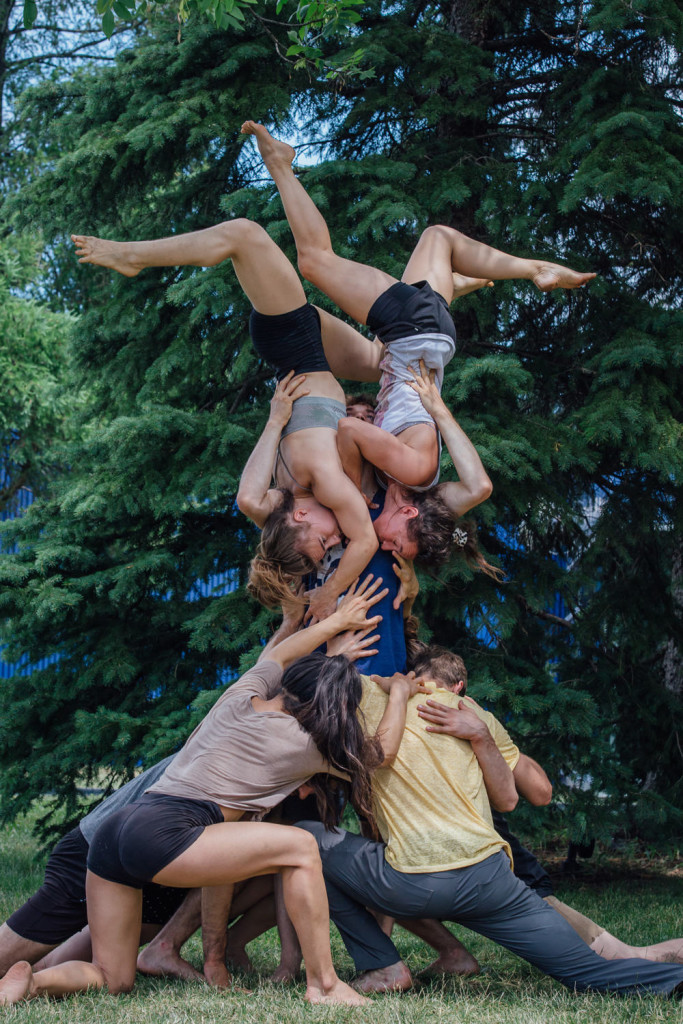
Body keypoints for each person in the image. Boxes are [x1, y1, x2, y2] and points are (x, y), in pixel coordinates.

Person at [0, 576, 427, 1008]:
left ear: (290, 686)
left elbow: (281, 652)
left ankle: (31, 983)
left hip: (116, 829)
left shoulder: (239, 697)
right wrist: (398, 693)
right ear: (332, 707)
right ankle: (326, 985)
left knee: (114, 978)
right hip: (169, 830)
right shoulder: (310, 744)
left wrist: (333, 625)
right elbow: (381, 754)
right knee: (301, 847)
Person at [240, 121, 594, 564]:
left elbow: (470, 498)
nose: (386, 547)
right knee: (314, 261)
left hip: (418, 339)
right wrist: (350, 486)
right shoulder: (414, 472)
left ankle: (455, 285)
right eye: (397, 545)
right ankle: (281, 165)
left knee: (436, 238)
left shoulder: (412, 486)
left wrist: (450, 545)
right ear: (409, 513)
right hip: (411, 331)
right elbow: (352, 431)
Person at [294, 660, 683, 997]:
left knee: (303, 839)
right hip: (490, 881)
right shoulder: (467, 709)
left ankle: (382, 965)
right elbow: (515, 798)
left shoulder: (339, 715)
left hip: (411, 884)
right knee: (588, 972)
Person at [70, 228, 380, 622]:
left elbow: (364, 539)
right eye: (331, 543)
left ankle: (134, 255)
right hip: (311, 347)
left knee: (244, 235)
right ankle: (444, 288)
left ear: (299, 520)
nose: (336, 538)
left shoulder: (318, 482)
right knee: (379, 358)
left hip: (292, 340)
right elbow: (248, 501)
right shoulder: (285, 498)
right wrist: (274, 423)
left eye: (324, 540)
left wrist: (328, 594)